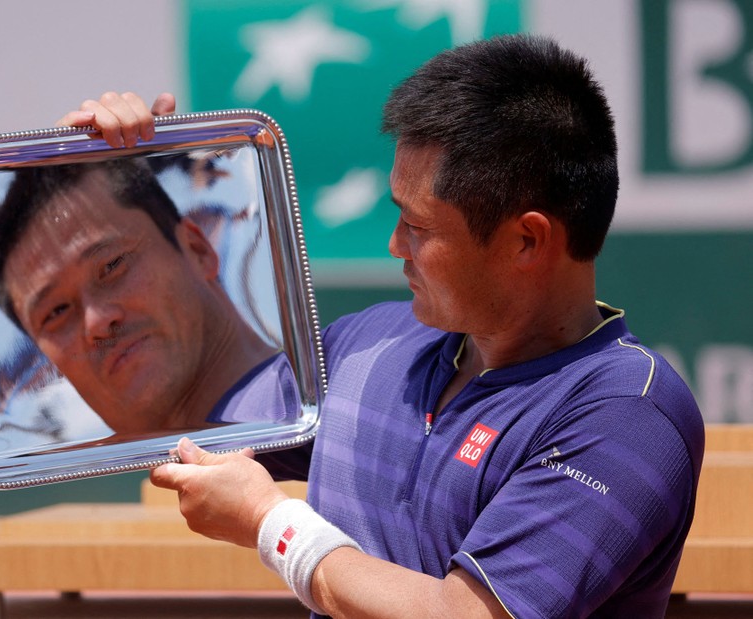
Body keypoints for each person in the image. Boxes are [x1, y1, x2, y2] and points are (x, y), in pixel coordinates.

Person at [60, 34, 704, 618]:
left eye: (419, 228)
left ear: (527, 241)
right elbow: (176, 416)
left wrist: (271, 523)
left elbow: (465, 617)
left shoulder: (627, 415)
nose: (395, 245)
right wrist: (113, 176)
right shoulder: (370, 344)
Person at [0, 158, 297, 436]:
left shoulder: (343, 381)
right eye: (56, 311)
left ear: (199, 250)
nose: (97, 322)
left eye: (112, 265)